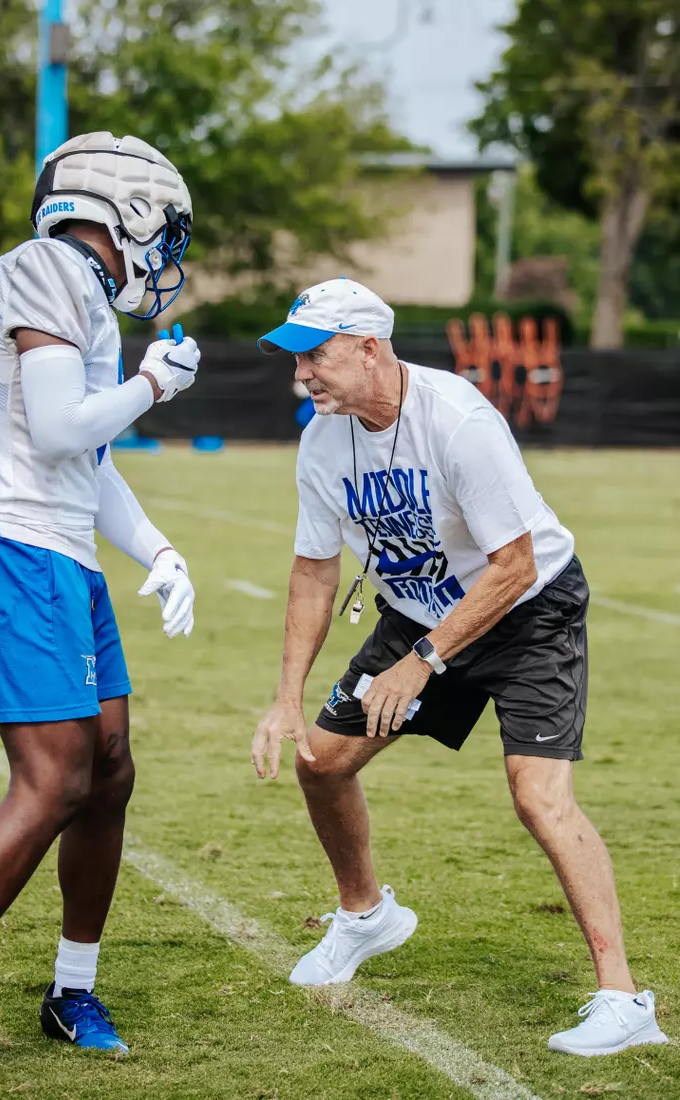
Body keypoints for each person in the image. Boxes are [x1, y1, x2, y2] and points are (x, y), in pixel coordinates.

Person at [251, 277, 668, 1058]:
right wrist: (284, 698)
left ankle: (623, 999)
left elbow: (513, 565)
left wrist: (423, 662)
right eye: (294, 357)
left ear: (369, 350)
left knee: (537, 796)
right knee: (321, 759)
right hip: (417, 616)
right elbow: (313, 569)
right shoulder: (322, 438)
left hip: (526, 612)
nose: (299, 374)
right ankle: (367, 914)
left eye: (314, 355)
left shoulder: (459, 421)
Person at [0, 132, 200, 1077]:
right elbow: (69, 424)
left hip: (61, 554)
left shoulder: (72, 287)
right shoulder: (47, 266)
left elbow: (84, 459)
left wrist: (156, 548)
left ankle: (71, 990)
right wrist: (154, 384)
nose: (169, 250)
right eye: (168, 226)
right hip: (13, 547)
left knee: (108, 770)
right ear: (130, 206)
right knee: (55, 777)